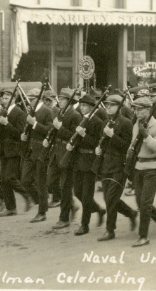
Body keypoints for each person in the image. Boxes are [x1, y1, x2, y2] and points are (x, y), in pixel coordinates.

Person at [96, 94, 137, 241]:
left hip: (120, 166)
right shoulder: (106, 122)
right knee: (109, 199)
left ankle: (110, 230)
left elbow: (127, 146)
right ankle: (131, 213)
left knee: (111, 197)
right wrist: (99, 149)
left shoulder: (126, 123)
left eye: (111, 105)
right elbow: (103, 142)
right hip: (106, 165)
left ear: (119, 107)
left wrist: (112, 135)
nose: (108, 107)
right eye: (107, 105)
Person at [128, 96, 156, 247]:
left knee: (145, 203)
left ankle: (144, 236)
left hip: (152, 168)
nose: (137, 111)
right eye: (135, 108)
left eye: (140, 109)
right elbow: (133, 144)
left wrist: (146, 136)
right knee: (139, 201)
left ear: (149, 110)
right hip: (138, 167)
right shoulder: (136, 124)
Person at [68, 94, 104, 236]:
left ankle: (85, 225)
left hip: (89, 160)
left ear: (91, 106)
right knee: (77, 192)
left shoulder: (97, 122)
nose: (81, 107)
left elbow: (98, 143)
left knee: (87, 194)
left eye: (84, 105)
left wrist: (84, 136)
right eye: (80, 105)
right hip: (79, 159)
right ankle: (99, 210)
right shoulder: (81, 119)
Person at [0, 87, 32, 217]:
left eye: (7, 98)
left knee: (9, 177)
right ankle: (11, 208)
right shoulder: (4, 112)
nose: (4, 100)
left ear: (13, 99)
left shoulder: (19, 113)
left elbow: (20, 133)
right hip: (3, 149)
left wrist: (6, 124)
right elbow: (1, 130)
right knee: (4, 180)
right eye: (3, 98)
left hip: (14, 149)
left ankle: (28, 196)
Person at [47, 88, 82, 230]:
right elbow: (54, 131)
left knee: (65, 187)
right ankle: (72, 205)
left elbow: (74, 137)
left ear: (69, 101)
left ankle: (64, 218)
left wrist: (59, 128)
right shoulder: (60, 113)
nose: (59, 101)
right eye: (59, 99)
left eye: (62, 99)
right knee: (51, 182)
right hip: (56, 152)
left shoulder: (75, 115)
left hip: (67, 154)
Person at [21, 87, 54, 223]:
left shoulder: (47, 111)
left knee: (41, 183)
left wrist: (34, 124)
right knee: (25, 180)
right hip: (30, 149)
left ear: (39, 98)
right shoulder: (30, 111)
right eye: (29, 99)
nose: (30, 102)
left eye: (32, 99)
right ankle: (40, 201)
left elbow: (50, 130)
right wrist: (25, 135)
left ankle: (42, 211)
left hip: (41, 149)